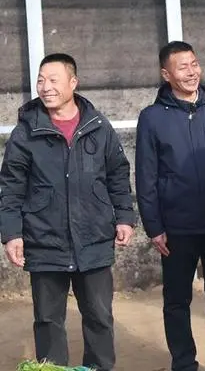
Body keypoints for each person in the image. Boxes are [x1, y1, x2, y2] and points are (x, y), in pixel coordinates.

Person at [0, 53, 135, 371]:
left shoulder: (98, 127)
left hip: (94, 239)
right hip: (45, 241)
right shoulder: (26, 132)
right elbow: (11, 187)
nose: (45, 87)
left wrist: (125, 216)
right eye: (40, 80)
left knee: (100, 318)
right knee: (48, 321)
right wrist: (12, 233)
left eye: (53, 80)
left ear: (73, 82)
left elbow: (117, 173)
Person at [135, 41, 205, 371]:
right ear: (166, 74)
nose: (191, 71)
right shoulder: (153, 118)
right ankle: (184, 362)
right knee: (176, 300)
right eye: (182, 67)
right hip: (177, 227)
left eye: (195, 64)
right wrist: (154, 226)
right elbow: (146, 176)